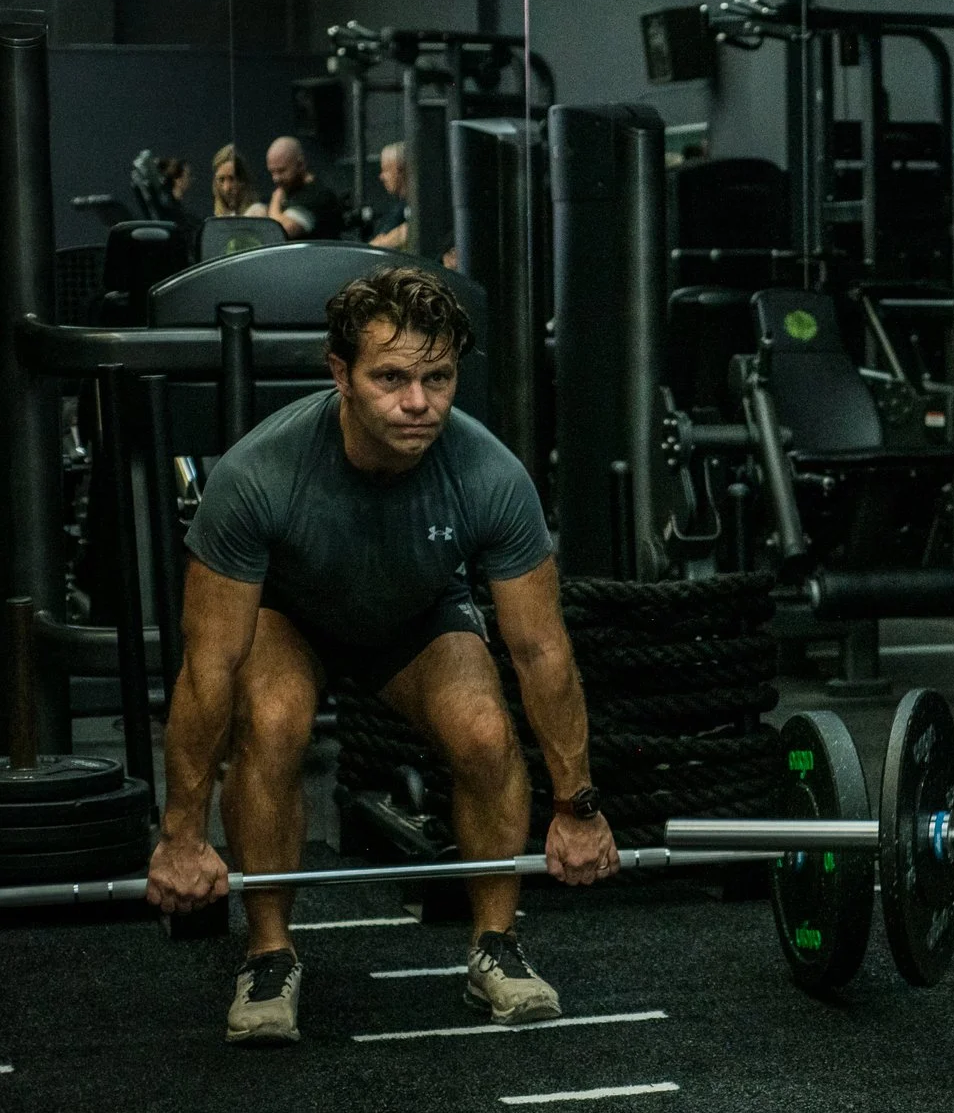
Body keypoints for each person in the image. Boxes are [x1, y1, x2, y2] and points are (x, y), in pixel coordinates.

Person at [145, 266, 619, 1044]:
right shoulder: (258, 476)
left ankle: (495, 947)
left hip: (416, 614)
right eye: (391, 377)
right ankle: (268, 954)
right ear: (341, 373)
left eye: (438, 377)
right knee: (272, 720)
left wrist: (577, 807)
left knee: (486, 732)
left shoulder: (491, 475)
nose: (418, 402)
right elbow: (209, 670)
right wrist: (182, 836)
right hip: (289, 618)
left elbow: (541, 651)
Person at [262, 135, 347, 239]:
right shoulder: (289, 191)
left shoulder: (316, 195)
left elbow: (281, 231)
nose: (276, 178)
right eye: (272, 172)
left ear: (300, 164)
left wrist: (275, 200)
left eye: (282, 171)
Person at [367, 140, 411, 250]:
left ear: (401, 169)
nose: (381, 177)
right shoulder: (399, 208)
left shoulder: (423, 206)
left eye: (386, 170)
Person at [209, 143, 260, 219]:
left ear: (243, 180)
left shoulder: (256, 213)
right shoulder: (216, 219)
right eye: (221, 180)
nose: (226, 188)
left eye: (232, 179)